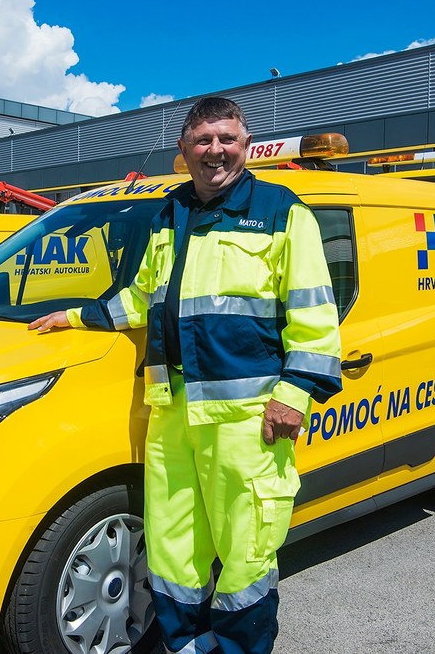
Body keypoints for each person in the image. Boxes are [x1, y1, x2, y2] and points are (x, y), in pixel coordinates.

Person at [29, 97, 342, 654]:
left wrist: (295, 395)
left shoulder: (281, 212)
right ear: (184, 149)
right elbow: (145, 297)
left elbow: (315, 317)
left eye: (226, 139)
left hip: (248, 421)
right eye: (202, 140)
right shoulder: (169, 213)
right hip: (172, 414)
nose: (214, 150)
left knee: (246, 550)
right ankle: (185, 647)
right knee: (174, 549)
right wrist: (76, 315)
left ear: (245, 144)